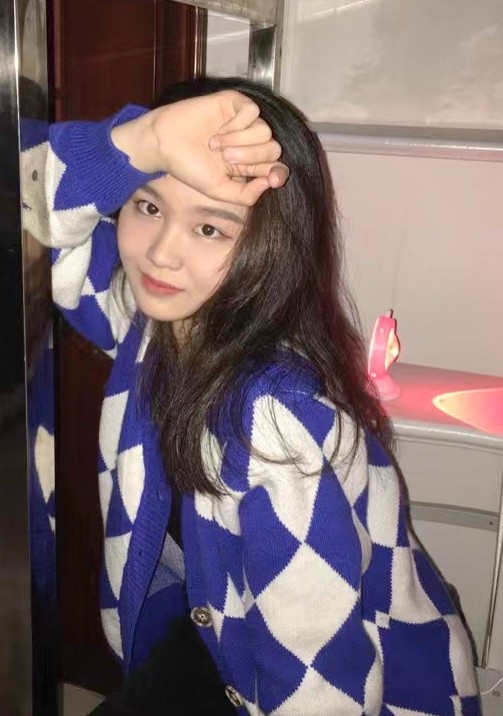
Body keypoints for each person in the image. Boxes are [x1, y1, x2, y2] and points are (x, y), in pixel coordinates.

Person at [23, 77, 480, 715]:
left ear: (272, 248)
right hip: (218, 640)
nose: (161, 253)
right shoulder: (153, 324)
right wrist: (143, 140)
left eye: (210, 228)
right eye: (148, 207)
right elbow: (29, 195)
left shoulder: (270, 421)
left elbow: (320, 682)